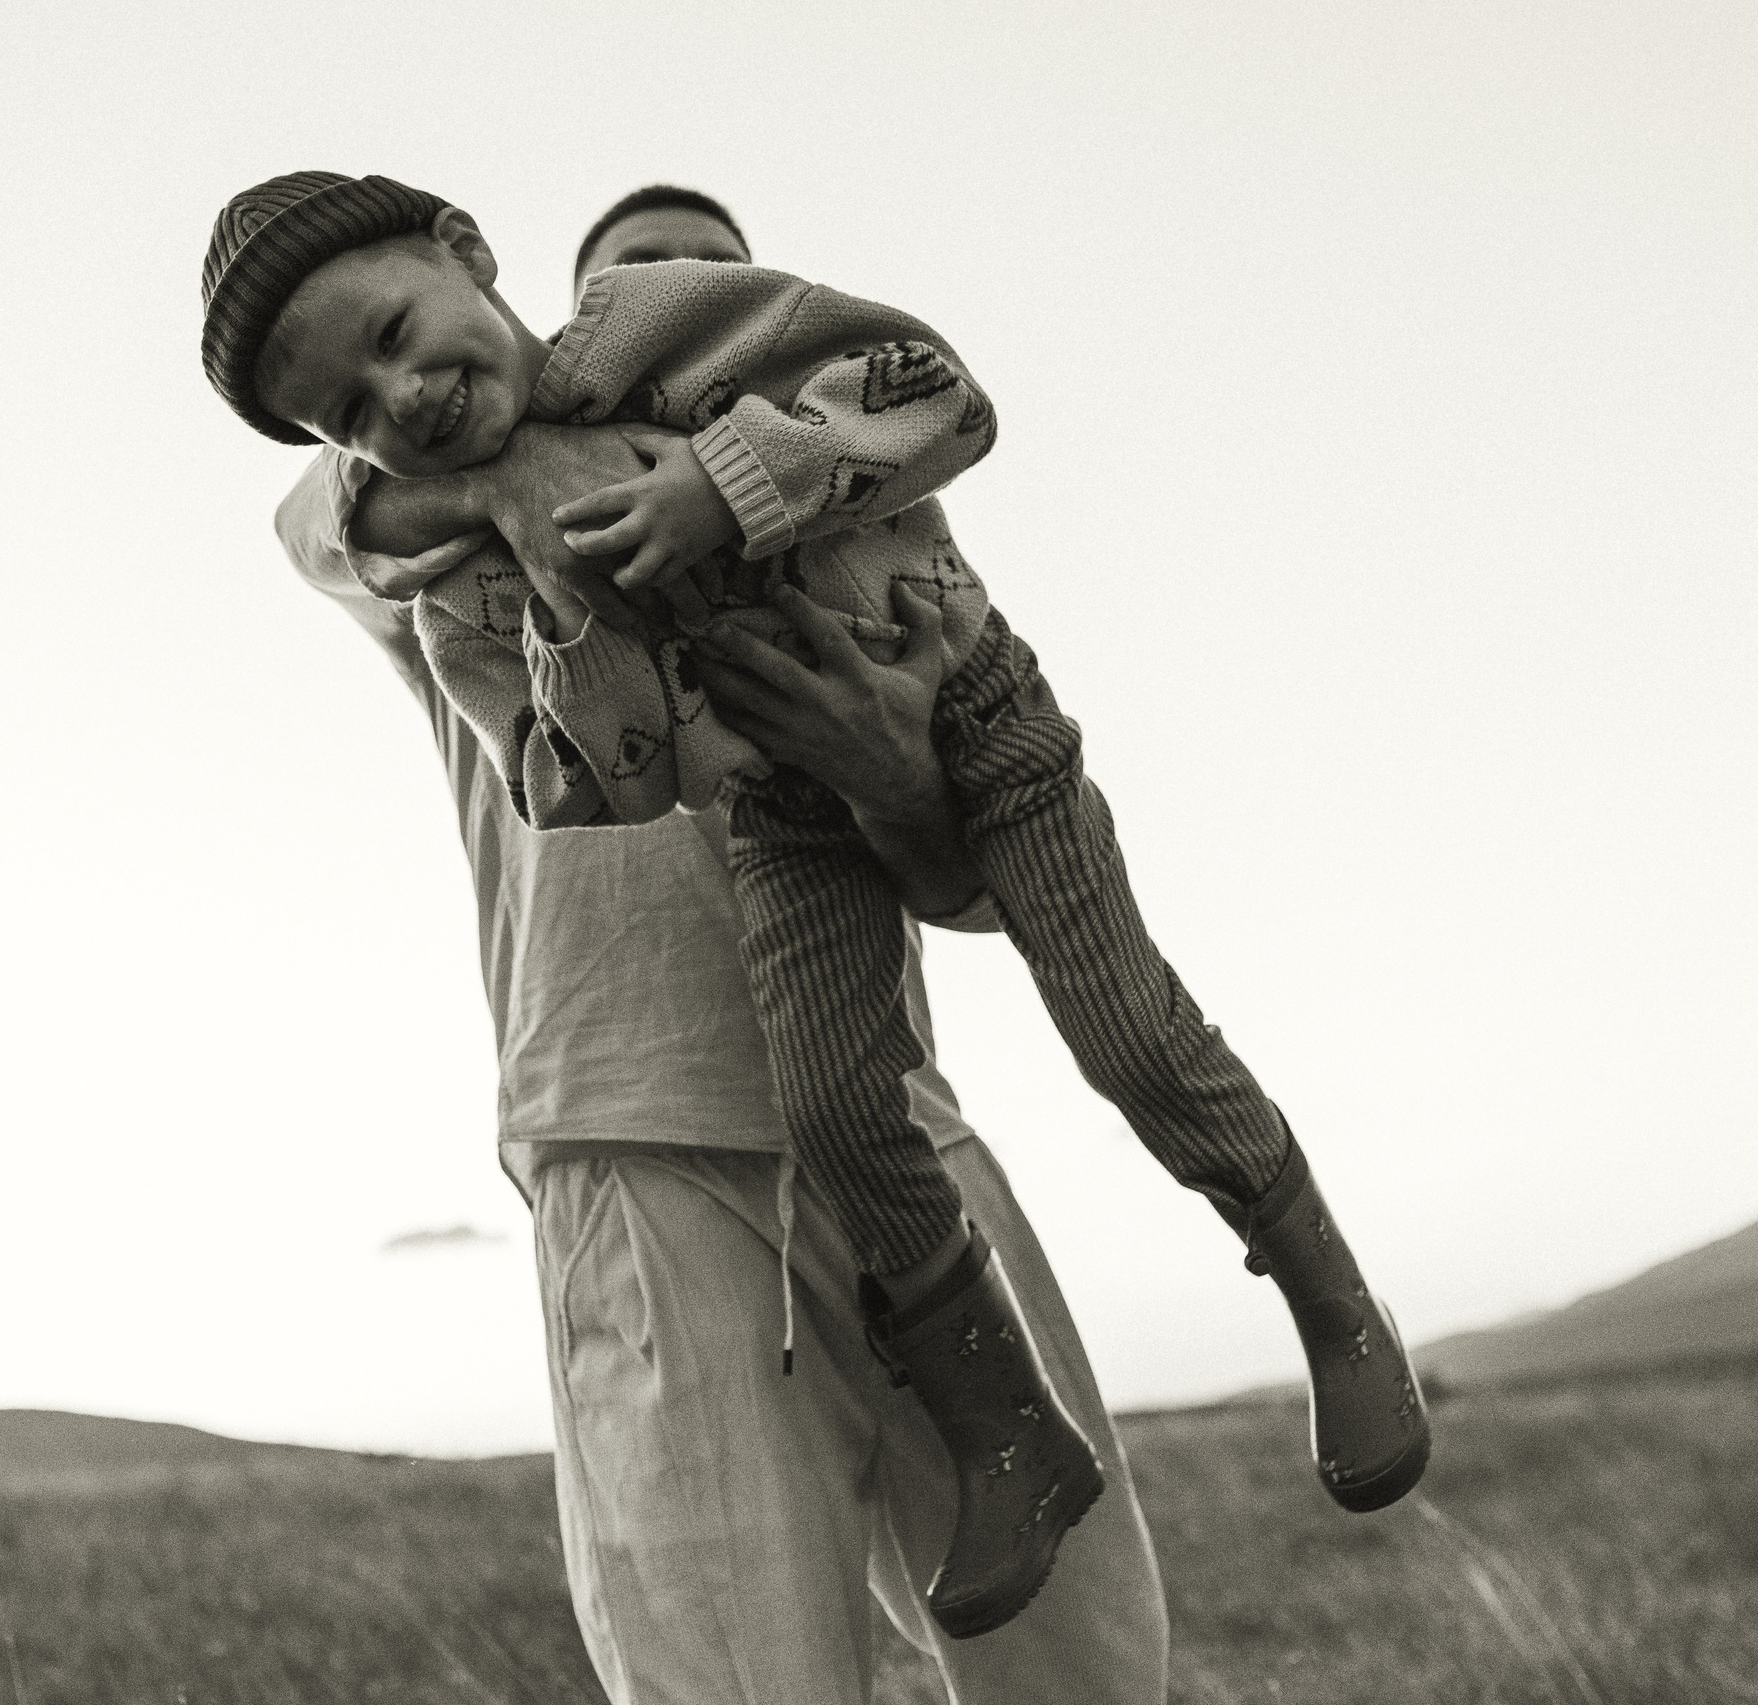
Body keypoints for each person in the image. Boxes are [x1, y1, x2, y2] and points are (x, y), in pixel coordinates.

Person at [205, 168, 1431, 1578]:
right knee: (839, 1107)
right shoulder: (432, 567)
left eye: (394, 338)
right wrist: (566, 603)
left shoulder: (685, 338)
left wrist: (723, 489)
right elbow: (579, 777)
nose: (402, 397)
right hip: (724, 915)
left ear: (474, 256)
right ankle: (1008, 1433)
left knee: (1124, 1028)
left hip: (974, 716)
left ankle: (1333, 1301)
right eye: (351, 409)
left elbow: (942, 396)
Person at [264, 184, 1169, 1703]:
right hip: (636, 1149)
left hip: (900, 1134)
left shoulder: (854, 553)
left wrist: (890, 773)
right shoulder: (452, 561)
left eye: (716, 281)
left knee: (1085, 1657)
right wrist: (532, 474)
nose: (674, 298)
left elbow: (974, 894)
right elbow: (314, 526)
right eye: (634, 282)